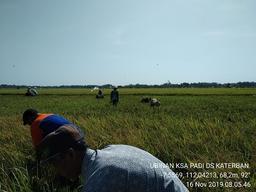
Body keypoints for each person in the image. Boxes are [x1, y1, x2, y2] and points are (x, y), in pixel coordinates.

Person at [37, 125, 189, 192]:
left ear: (70, 154)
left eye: (54, 163)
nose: (56, 170)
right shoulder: (111, 149)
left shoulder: (101, 178)